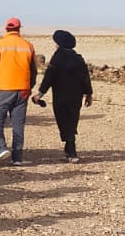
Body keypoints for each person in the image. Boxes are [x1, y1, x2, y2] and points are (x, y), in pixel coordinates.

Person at [0, 17, 37, 165]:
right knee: (18, 123)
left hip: (5, 89)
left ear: (6, 29)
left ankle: (0, 146)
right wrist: (30, 87)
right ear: (19, 29)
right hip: (23, 90)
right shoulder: (28, 46)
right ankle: (17, 158)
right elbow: (34, 70)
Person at [33, 29, 93, 161]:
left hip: (61, 96)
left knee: (63, 121)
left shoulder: (57, 58)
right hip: (76, 97)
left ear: (60, 44)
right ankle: (69, 148)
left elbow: (49, 77)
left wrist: (40, 94)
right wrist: (88, 94)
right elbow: (85, 77)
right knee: (72, 120)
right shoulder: (78, 58)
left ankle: (71, 151)